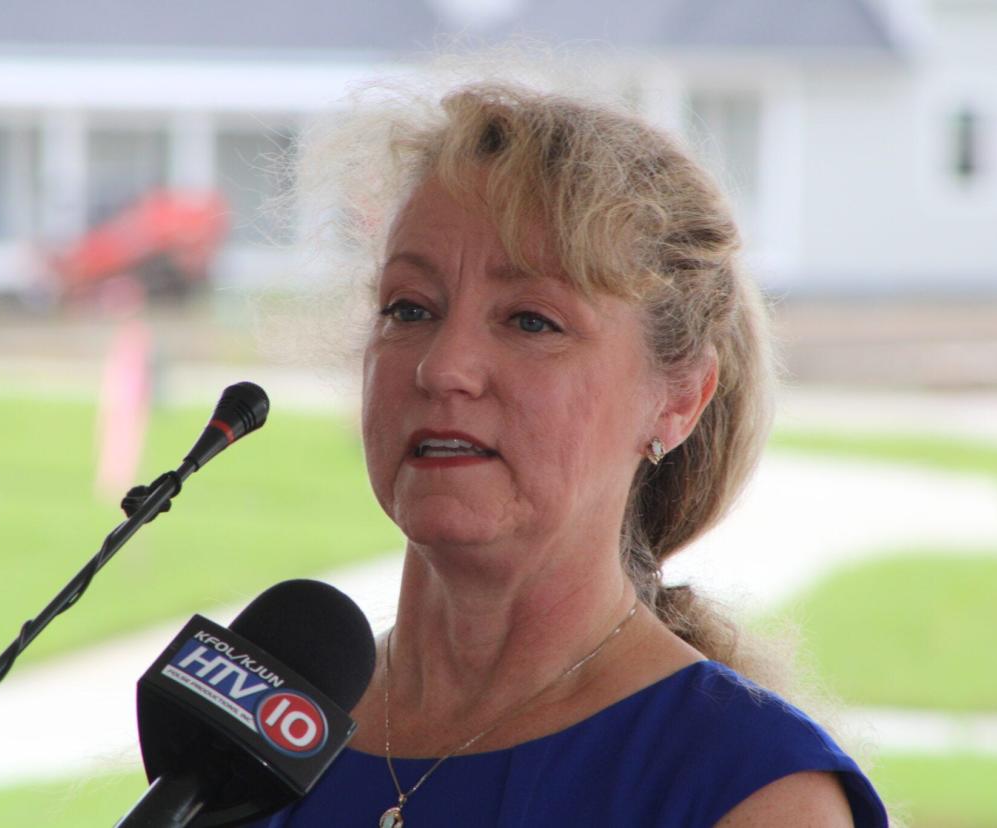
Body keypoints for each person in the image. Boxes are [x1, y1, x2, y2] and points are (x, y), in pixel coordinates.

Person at [254, 77, 887, 826]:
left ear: (679, 398)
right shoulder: (260, 729)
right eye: (410, 308)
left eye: (531, 321)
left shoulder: (753, 791)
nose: (442, 367)